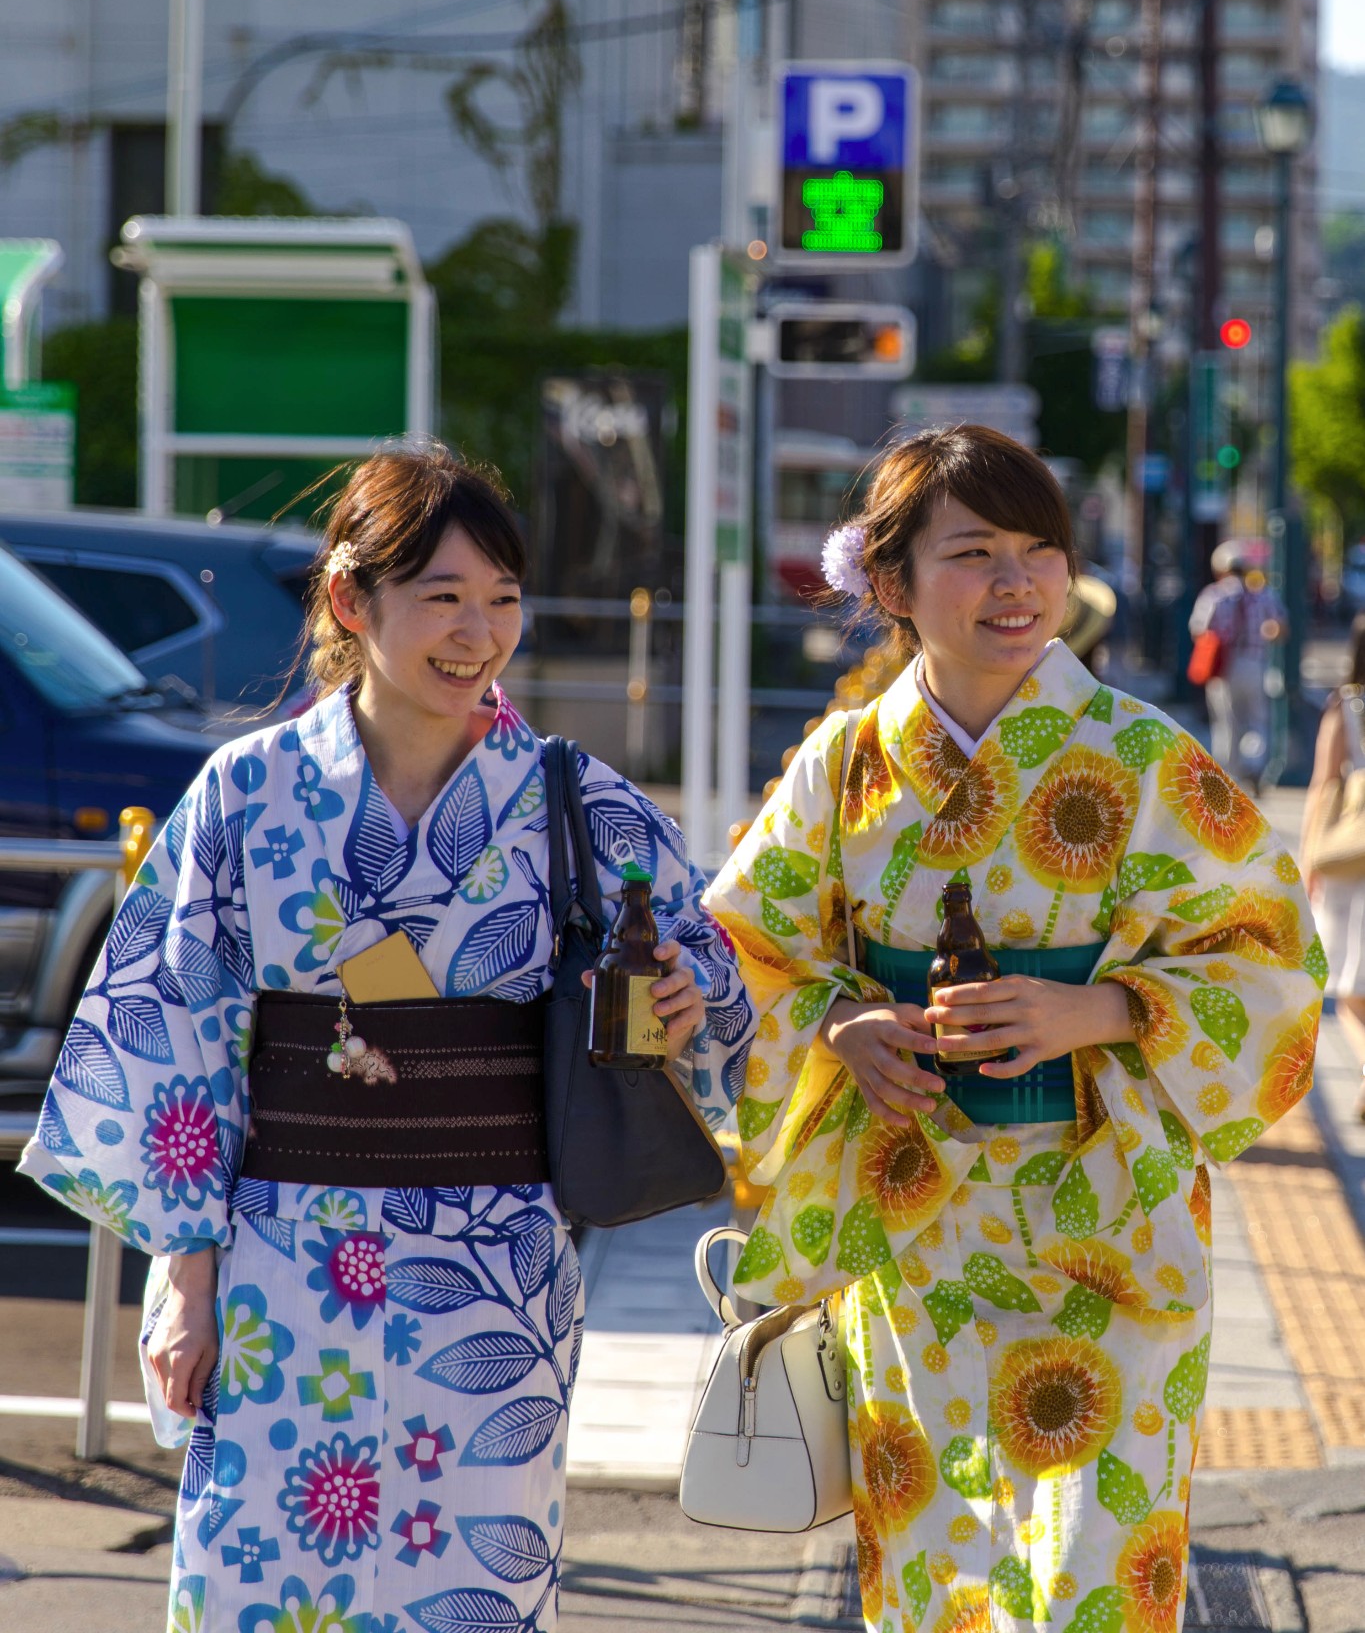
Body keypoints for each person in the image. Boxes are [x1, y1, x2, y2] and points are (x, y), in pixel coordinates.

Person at [20, 441, 753, 1633]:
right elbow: (176, 1042)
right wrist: (189, 1285)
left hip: (491, 1273)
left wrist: (683, 993)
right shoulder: (246, 793)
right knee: (266, 1578)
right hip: (279, 1262)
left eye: (503, 599)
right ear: (354, 602)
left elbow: (719, 984)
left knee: (471, 1586)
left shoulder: (572, 797)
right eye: (445, 597)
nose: (480, 632)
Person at [706, 424, 1319, 1633]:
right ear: (889, 583)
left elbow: (1274, 958)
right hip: (915, 1233)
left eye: (1039, 551)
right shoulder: (846, 763)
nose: (1016, 583)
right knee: (933, 1577)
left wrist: (1096, 1005)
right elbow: (744, 952)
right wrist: (842, 1025)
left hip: (1107, 1229)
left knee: (1097, 1575)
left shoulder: (1143, 758)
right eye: (973, 552)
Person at [1301, 612, 1365, 1121]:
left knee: (1348, 988)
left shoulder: (1348, 705)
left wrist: (1307, 860)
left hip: (1350, 861)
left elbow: (1324, 785)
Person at [1188, 543, 1288, 793]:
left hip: (1224, 667)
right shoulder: (1263, 594)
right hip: (1255, 663)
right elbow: (1281, 627)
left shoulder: (1213, 595)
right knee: (1258, 719)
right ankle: (1253, 765)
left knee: (1227, 722)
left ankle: (1228, 776)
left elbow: (1198, 630)